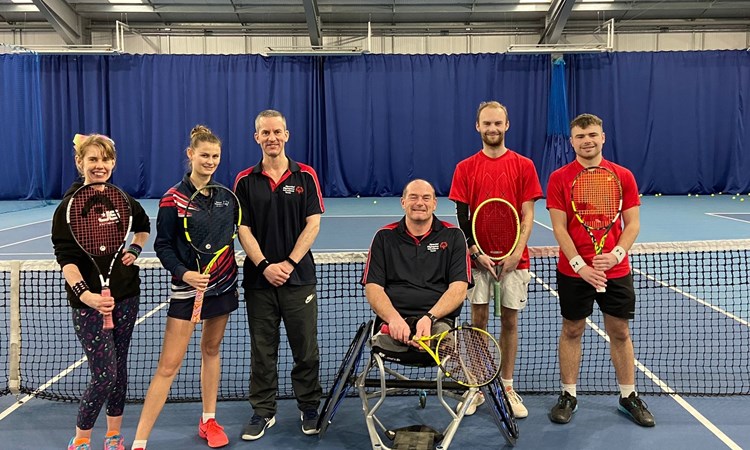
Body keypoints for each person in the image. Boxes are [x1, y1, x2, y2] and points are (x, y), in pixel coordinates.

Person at [132, 125, 239, 450]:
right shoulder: (172, 199)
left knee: (212, 349)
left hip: (223, 285)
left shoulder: (224, 197)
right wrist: (184, 274)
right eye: (204, 155)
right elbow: (163, 245)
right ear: (190, 155)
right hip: (187, 289)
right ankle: (139, 440)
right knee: (169, 365)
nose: (210, 161)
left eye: (215, 156)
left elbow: (226, 240)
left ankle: (209, 419)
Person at [546, 113, 655, 427]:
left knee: (620, 332)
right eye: (580, 137)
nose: (587, 141)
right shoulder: (559, 178)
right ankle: (568, 394)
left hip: (616, 270)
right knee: (572, 330)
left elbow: (632, 224)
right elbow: (559, 228)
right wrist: (581, 266)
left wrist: (617, 253)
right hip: (573, 272)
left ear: (603, 137)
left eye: (592, 134)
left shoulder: (623, 176)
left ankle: (628, 396)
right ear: (572, 142)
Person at [51, 134, 150, 450]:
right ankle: (81, 438)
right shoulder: (68, 208)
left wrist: (134, 249)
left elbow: (144, 224)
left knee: (119, 369)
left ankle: (113, 435)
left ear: (113, 163)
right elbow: (66, 259)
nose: (100, 165)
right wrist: (86, 295)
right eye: (92, 159)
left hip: (126, 295)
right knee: (104, 374)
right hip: (88, 304)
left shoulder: (121, 199)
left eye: (105, 159)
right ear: (80, 162)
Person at [234, 109, 325, 441]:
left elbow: (313, 224)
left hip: (299, 278)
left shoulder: (306, 176)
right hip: (259, 281)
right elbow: (243, 228)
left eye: (277, 132)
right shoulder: (245, 180)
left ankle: (310, 406)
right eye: (265, 133)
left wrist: (287, 263)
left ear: (287, 135)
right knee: (262, 349)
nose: (272, 138)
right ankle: (263, 411)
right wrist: (264, 266)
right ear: (256, 137)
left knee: (306, 348)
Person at [448, 101, 543, 418]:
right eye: (486, 123)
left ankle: (506, 385)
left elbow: (528, 212)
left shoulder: (523, 165)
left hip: (515, 260)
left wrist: (516, 253)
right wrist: (475, 252)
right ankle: (476, 385)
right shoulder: (465, 168)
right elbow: (463, 216)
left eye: (497, 123)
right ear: (478, 126)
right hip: (477, 261)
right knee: (478, 322)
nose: (492, 128)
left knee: (510, 321)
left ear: (507, 125)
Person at [362, 179, 470, 354]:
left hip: (438, 322)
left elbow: (459, 288)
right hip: (394, 322)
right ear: (403, 202)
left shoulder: (454, 236)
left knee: (445, 345)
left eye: (426, 198)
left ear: (434, 204)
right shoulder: (383, 237)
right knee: (379, 344)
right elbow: (373, 288)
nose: (420, 203)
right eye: (413, 197)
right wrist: (394, 319)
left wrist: (429, 318)